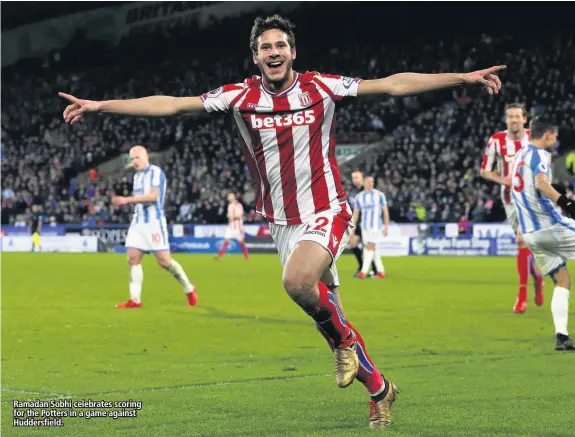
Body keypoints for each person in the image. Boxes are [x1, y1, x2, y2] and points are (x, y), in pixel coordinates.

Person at [59, 14, 504, 428]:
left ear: (293, 52)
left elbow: (391, 85)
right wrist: (101, 106)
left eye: (281, 45)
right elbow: (172, 105)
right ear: (255, 57)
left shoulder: (321, 86)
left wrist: (462, 78)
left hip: (328, 208)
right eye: (265, 47)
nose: (273, 52)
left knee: (297, 283)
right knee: (325, 313)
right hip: (282, 222)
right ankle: (380, 389)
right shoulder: (241, 96)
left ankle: (347, 344)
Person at [510, 116, 575, 350]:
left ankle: (562, 337)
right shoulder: (540, 155)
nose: (555, 140)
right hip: (550, 226)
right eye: (555, 136)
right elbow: (540, 183)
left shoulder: (519, 156)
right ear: (547, 134)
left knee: (562, 279)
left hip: (531, 235)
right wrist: (567, 204)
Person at [112, 146, 198, 309]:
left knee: (165, 262)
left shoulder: (156, 172)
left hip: (154, 224)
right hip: (138, 223)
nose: (134, 161)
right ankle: (135, 300)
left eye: (137, 157)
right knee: (132, 259)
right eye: (132, 159)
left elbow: (153, 197)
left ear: (146, 156)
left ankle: (189, 287)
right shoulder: (137, 177)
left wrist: (127, 200)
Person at [480, 103, 544, 313]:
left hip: (531, 197)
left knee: (521, 240)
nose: (514, 120)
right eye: (510, 117)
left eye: (518, 116)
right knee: (525, 247)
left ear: (525, 119)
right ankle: (538, 279)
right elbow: (484, 171)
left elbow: (543, 163)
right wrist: (503, 180)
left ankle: (522, 296)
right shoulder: (496, 141)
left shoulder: (533, 137)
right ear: (506, 119)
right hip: (509, 198)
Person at [352, 176, 389, 279]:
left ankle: (363, 272)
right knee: (372, 249)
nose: (371, 183)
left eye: (372, 182)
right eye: (368, 181)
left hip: (375, 227)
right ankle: (381, 271)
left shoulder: (379, 195)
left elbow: (385, 211)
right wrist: (353, 227)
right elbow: (356, 213)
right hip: (364, 227)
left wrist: (386, 226)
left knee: (369, 247)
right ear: (364, 182)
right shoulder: (359, 197)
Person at [348, 170, 377, 277]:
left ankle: (374, 269)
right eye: (353, 178)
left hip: (366, 223)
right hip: (357, 223)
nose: (354, 180)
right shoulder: (354, 191)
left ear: (362, 178)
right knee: (353, 245)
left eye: (356, 177)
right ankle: (362, 267)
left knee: (368, 246)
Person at [216, 193, 249, 259]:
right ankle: (219, 256)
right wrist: (230, 217)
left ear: (233, 197)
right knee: (226, 240)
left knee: (241, 241)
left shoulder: (238, 205)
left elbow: (239, 216)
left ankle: (246, 256)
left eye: (230, 197)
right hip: (231, 226)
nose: (228, 198)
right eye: (228, 197)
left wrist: (230, 216)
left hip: (237, 227)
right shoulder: (230, 205)